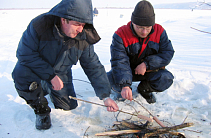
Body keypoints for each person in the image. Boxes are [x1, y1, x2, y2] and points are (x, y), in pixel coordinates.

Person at [12, 0, 119, 130]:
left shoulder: (83, 36)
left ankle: (47, 86)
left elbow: (93, 66)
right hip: (36, 69)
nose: (81, 29)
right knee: (20, 74)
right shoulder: (39, 26)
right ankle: (41, 109)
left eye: (83, 25)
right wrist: (50, 76)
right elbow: (24, 54)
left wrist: (105, 96)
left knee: (68, 107)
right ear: (64, 20)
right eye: (77, 24)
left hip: (61, 72)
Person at [107, 0, 174, 104]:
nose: (144, 32)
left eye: (148, 28)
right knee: (107, 79)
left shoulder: (159, 31)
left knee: (166, 78)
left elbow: (167, 53)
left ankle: (144, 90)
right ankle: (122, 92)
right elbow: (119, 61)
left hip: (149, 71)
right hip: (128, 71)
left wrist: (147, 64)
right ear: (133, 22)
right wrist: (125, 85)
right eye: (140, 27)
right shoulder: (121, 34)